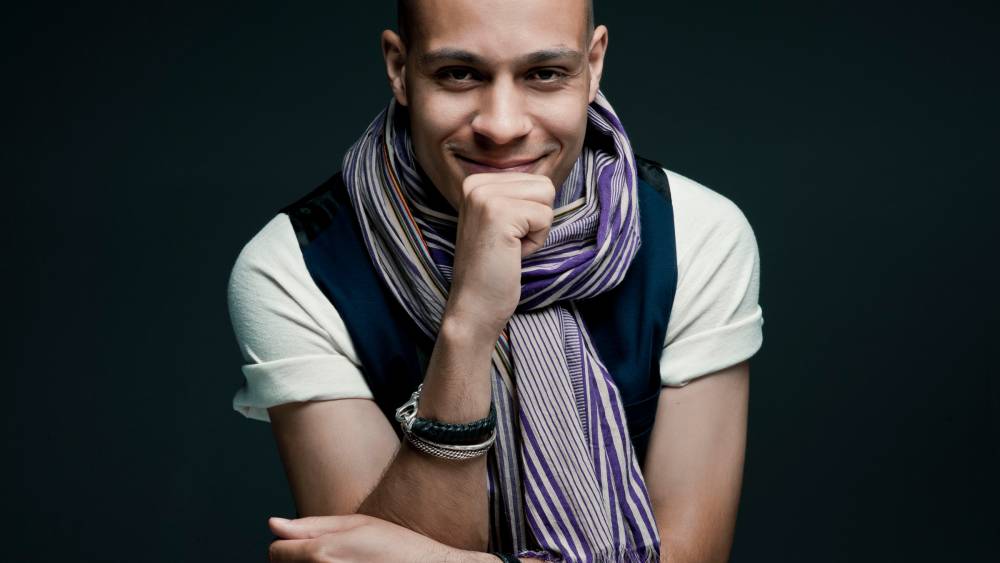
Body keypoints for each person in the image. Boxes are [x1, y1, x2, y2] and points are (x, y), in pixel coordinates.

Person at [226, 1, 763, 561]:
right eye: (459, 74)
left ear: (593, 65)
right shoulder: (296, 266)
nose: (502, 127)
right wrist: (469, 323)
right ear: (399, 68)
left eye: (544, 73)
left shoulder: (696, 234)